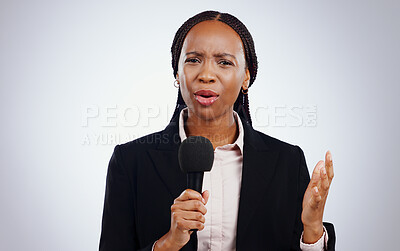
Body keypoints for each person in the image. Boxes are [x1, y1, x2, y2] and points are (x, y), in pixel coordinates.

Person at [99, 10, 335, 251]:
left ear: (246, 77)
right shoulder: (131, 162)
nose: (206, 75)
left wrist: (313, 229)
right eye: (193, 60)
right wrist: (169, 243)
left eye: (224, 62)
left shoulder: (286, 162)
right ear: (177, 73)